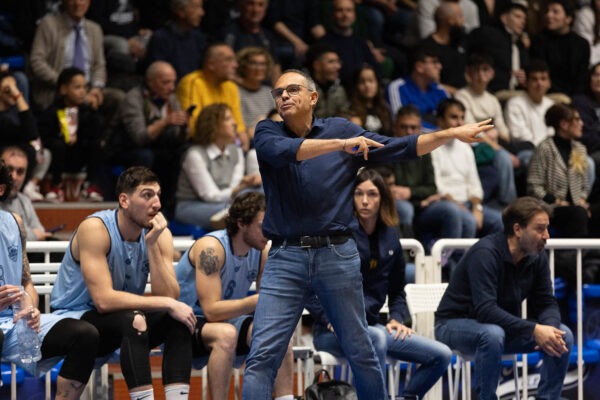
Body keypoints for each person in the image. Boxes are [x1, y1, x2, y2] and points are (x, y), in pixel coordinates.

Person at [241, 68, 493, 399]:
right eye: (278, 93)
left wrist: (449, 133)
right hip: (285, 255)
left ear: (313, 97)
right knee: (262, 356)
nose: (283, 97)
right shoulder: (267, 131)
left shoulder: (341, 129)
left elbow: (399, 147)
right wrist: (341, 145)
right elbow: (285, 152)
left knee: (363, 351)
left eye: (291, 90)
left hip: (337, 254)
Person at [50, 166, 197, 400]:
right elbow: (104, 301)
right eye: (147, 195)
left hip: (122, 321)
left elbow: (169, 296)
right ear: (124, 200)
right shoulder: (96, 228)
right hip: (74, 318)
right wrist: (168, 304)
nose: (157, 204)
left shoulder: (158, 234)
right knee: (136, 319)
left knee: (177, 319)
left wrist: (152, 247)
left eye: (158, 195)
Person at [308, 168, 452, 399]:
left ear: (383, 198)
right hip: (332, 332)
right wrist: (328, 319)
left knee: (441, 354)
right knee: (377, 338)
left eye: (372, 194)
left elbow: (397, 290)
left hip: (373, 326)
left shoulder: (391, 236)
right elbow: (309, 286)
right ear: (351, 197)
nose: (365, 201)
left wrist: (395, 317)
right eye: (358, 193)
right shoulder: (337, 233)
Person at [435, 196, 573, 400]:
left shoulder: (536, 256)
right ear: (518, 230)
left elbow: (546, 301)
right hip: (453, 326)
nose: (546, 236)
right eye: (540, 229)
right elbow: (486, 310)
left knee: (565, 335)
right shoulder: (485, 253)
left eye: (547, 228)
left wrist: (550, 330)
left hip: (500, 329)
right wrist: (534, 330)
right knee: (492, 334)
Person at [175, 192, 294, 400]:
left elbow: (266, 308)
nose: (268, 231)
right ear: (241, 224)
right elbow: (211, 311)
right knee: (226, 334)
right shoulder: (211, 249)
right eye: (262, 225)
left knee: (278, 331)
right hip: (184, 323)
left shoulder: (262, 250)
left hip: (226, 321)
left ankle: (286, 398)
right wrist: (256, 301)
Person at [0, 159, 99, 400]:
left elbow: (26, 282)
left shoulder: (14, 222)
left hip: (15, 324)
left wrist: (31, 308)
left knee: (85, 335)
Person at [110, 60, 188, 208]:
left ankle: (168, 208)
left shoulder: (171, 99)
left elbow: (177, 139)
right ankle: (139, 205)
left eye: (173, 82)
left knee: (181, 153)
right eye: (166, 82)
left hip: (157, 147)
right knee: (145, 156)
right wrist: (166, 121)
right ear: (150, 82)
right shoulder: (133, 98)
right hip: (126, 149)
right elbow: (139, 137)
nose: (171, 88)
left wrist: (183, 129)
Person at [175, 103, 260, 230]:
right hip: (193, 205)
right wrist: (239, 189)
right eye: (228, 119)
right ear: (213, 125)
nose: (234, 123)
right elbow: (210, 195)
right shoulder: (195, 155)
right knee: (244, 209)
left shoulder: (235, 151)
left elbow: (235, 186)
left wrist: (248, 184)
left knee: (260, 193)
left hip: (226, 202)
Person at [430, 99, 504, 237]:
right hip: (443, 203)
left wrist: (477, 208)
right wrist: (459, 206)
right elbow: (436, 185)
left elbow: (474, 183)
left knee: (500, 221)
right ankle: (454, 259)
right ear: (440, 120)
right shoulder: (430, 145)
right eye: (453, 117)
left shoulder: (465, 146)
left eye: (462, 118)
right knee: (467, 220)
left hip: (468, 204)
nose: (460, 123)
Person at [37, 67, 105, 202]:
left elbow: (95, 134)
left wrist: (93, 113)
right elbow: (44, 138)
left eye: (84, 87)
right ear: (63, 89)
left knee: (96, 145)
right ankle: (56, 187)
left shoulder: (87, 112)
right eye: (77, 87)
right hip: (58, 157)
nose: (82, 92)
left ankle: (89, 186)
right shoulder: (52, 111)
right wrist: (61, 136)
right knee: (57, 145)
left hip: (78, 157)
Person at [29, 0, 107, 111]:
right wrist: (65, 84)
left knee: (117, 98)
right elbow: (36, 61)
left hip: (88, 89)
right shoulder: (48, 25)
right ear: (64, 2)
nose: (77, 4)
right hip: (57, 90)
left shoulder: (95, 29)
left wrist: (96, 88)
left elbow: (99, 65)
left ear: (89, 2)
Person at [527, 103, 591, 239]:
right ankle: (573, 258)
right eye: (577, 119)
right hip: (551, 208)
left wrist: (582, 199)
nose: (582, 123)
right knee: (578, 213)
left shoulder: (580, 149)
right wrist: (556, 200)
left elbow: (585, 184)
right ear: (564, 124)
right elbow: (534, 186)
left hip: (576, 206)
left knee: (584, 211)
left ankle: (593, 256)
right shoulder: (544, 148)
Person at [176, 43, 247, 147]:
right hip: (201, 144)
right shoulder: (192, 82)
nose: (235, 65)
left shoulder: (231, 87)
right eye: (229, 60)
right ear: (211, 64)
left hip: (227, 141)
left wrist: (243, 144)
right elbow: (194, 128)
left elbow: (239, 126)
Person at [530, 0, 590, 96]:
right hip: (546, 93)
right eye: (547, 11)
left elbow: (582, 78)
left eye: (555, 12)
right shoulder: (538, 41)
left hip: (574, 95)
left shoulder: (581, 44)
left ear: (568, 18)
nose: (549, 15)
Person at [386, 45, 449, 129]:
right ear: (419, 67)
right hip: (410, 140)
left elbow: (451, 122)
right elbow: (401, 123)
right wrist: (438, 134)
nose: (440, 67)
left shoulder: (441, 90)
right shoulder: (398, 87)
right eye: (434, 62)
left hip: (443, 140)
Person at [144, 0, 207, 80]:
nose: (201, 13)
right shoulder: (161, 39)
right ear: (181, 11)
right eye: (196, 7)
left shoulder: (198, 38)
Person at [0, 146, 52, 240]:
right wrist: (33, 234)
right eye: (9, 169)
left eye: (20, 172)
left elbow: (40, 231)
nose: (14, 177)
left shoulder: (24, 200)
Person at [348, 65, 393, 136]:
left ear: (377, 84)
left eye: (371, 81)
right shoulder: (350, 111)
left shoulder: (385, 109)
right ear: (356, 86)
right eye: (362, 82)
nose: (367, 85)